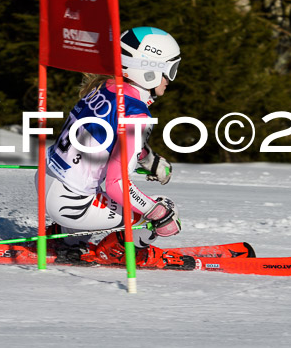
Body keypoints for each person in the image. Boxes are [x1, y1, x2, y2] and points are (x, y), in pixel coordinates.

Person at [40, 26, 189, 268]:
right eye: (170, 70)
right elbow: (116, 184)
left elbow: (108, 141)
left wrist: (148, 161)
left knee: (100, 192)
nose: (171, 79)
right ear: (149, 70)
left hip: (47, 181)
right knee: (166, 208)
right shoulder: (135, 114)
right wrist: (156, 212)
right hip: (70, 203)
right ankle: (118, 250)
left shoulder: (106, 89)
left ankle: (69, 238)